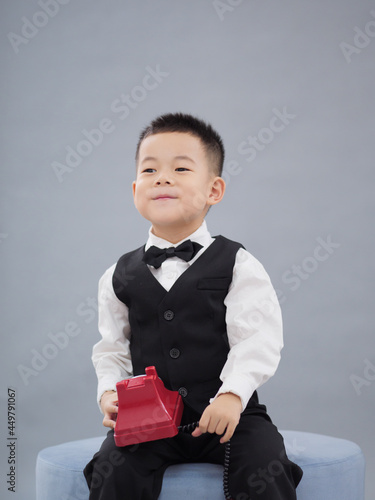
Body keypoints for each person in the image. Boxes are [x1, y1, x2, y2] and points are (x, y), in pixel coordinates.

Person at [84, 112, 303, 499]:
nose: (162, 178)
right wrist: (108, 393)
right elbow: (112, 348)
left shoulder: (238, 263)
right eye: (150, 170)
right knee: (112, 468)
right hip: (147, 419)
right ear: (135, 188)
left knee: (265, 465)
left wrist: (233, 395)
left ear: (214, 190)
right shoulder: (117, 275)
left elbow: (257, 339)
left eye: (181, 168)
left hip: (231, 416)